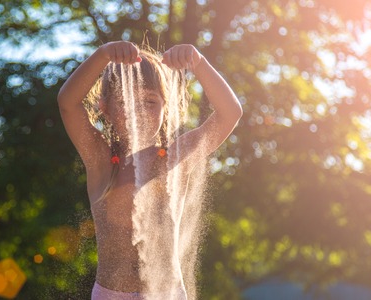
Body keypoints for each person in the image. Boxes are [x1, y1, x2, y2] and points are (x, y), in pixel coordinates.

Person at [57, 41, 242, 299]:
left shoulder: (176, 159)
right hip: (112, 294)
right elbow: (68, 103)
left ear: (166, 107)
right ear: (105, 108)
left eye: (150, 102)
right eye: (125, 101)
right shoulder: (100, 159)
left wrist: (198, 62)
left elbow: (229, 113)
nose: (138, 112)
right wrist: (103, 54)